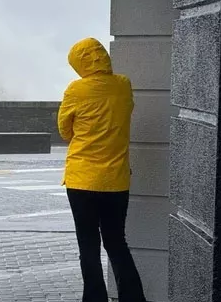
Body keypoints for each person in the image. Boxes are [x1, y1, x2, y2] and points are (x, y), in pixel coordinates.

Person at [57, 37, 147, 302]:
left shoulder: (76, 90)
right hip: (116, 180)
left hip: (82, 180)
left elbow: (64, 130)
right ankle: (133, 298)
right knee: (116, 241)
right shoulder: (123, 85)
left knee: (88, 244)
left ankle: (94, 298)